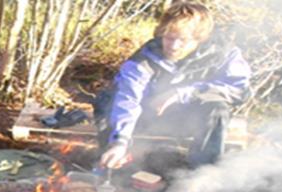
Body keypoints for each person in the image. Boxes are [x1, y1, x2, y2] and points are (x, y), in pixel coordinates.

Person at [96, 2, 251, 170]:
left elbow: (239, 89)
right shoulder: (144, 59)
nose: (174, 46)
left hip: (194, 121)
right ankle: (119, 165)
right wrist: (119, 142)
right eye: (169, 37)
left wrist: (181, 93)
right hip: (150, 117)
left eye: (183, 40)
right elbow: (127, 98)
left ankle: (201, 178)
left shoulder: (223, 54)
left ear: (200, 39)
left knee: (217, 108)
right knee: (107, 101)